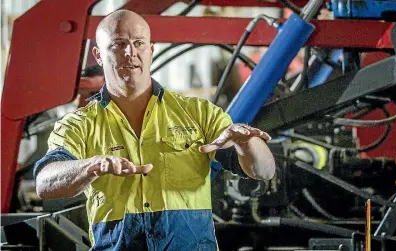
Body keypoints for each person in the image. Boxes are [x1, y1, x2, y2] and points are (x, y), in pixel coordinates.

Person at [34, 10, 276, 250]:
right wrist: (91, 166)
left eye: (139, 43)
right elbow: (44, 183)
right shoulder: (79, 124)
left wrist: (247, 143)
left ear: (151, 50)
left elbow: (264, 171)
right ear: (98, 55)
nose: (131, 52)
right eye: (119, 44)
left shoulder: (199, 113)